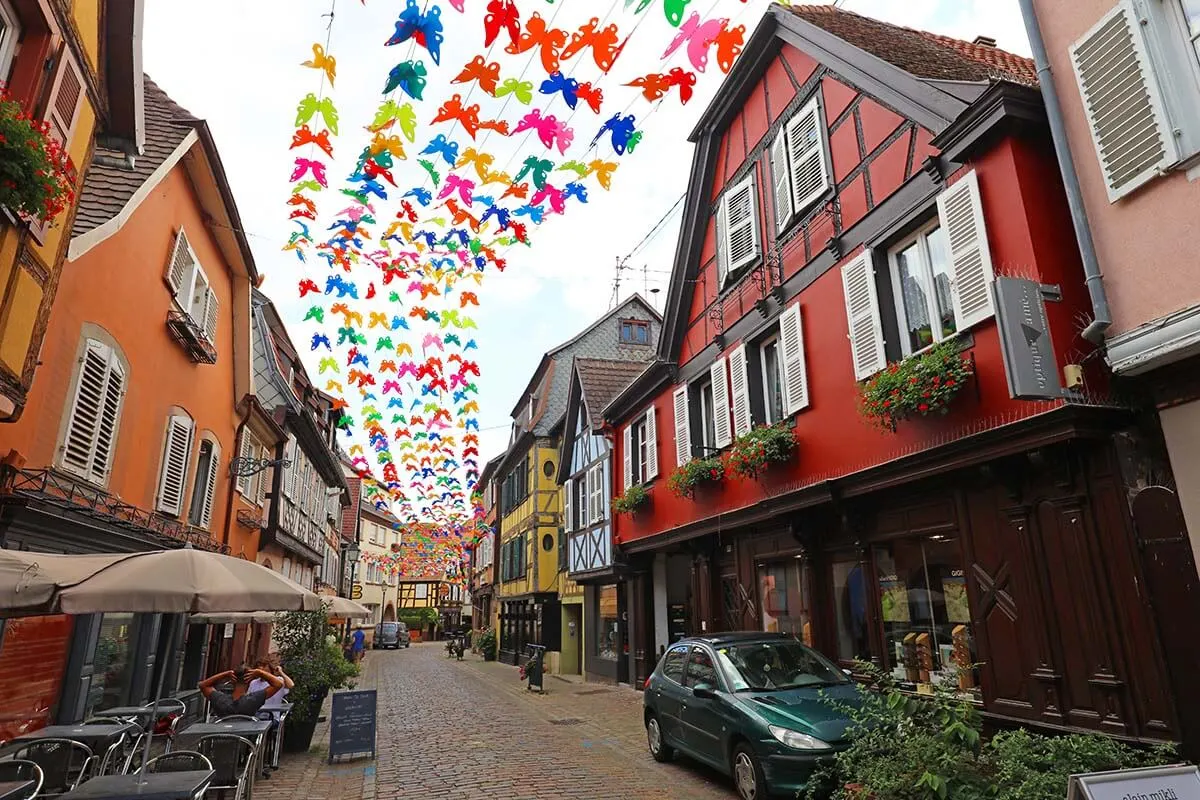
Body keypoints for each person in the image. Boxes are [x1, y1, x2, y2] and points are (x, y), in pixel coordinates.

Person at [250, 655, 293, 775]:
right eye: (258, 667)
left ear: (269, 668)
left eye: (263, 667)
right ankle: (251, 757)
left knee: (262, 728)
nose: (261, 669)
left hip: (271, 717)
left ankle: (258, 758)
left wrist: (281, 672)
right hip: (255, 716)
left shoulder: (278, 681)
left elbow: (291, 685)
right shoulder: (253, 683)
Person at [199, 664, 283, 718]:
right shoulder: (254, 699)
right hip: (246, 742)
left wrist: (226, 674)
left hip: (220, 739)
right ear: (250, 682)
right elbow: (278, 684)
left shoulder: (219, 699)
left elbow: (203, 685)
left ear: (232, 681)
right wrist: (260, 673)